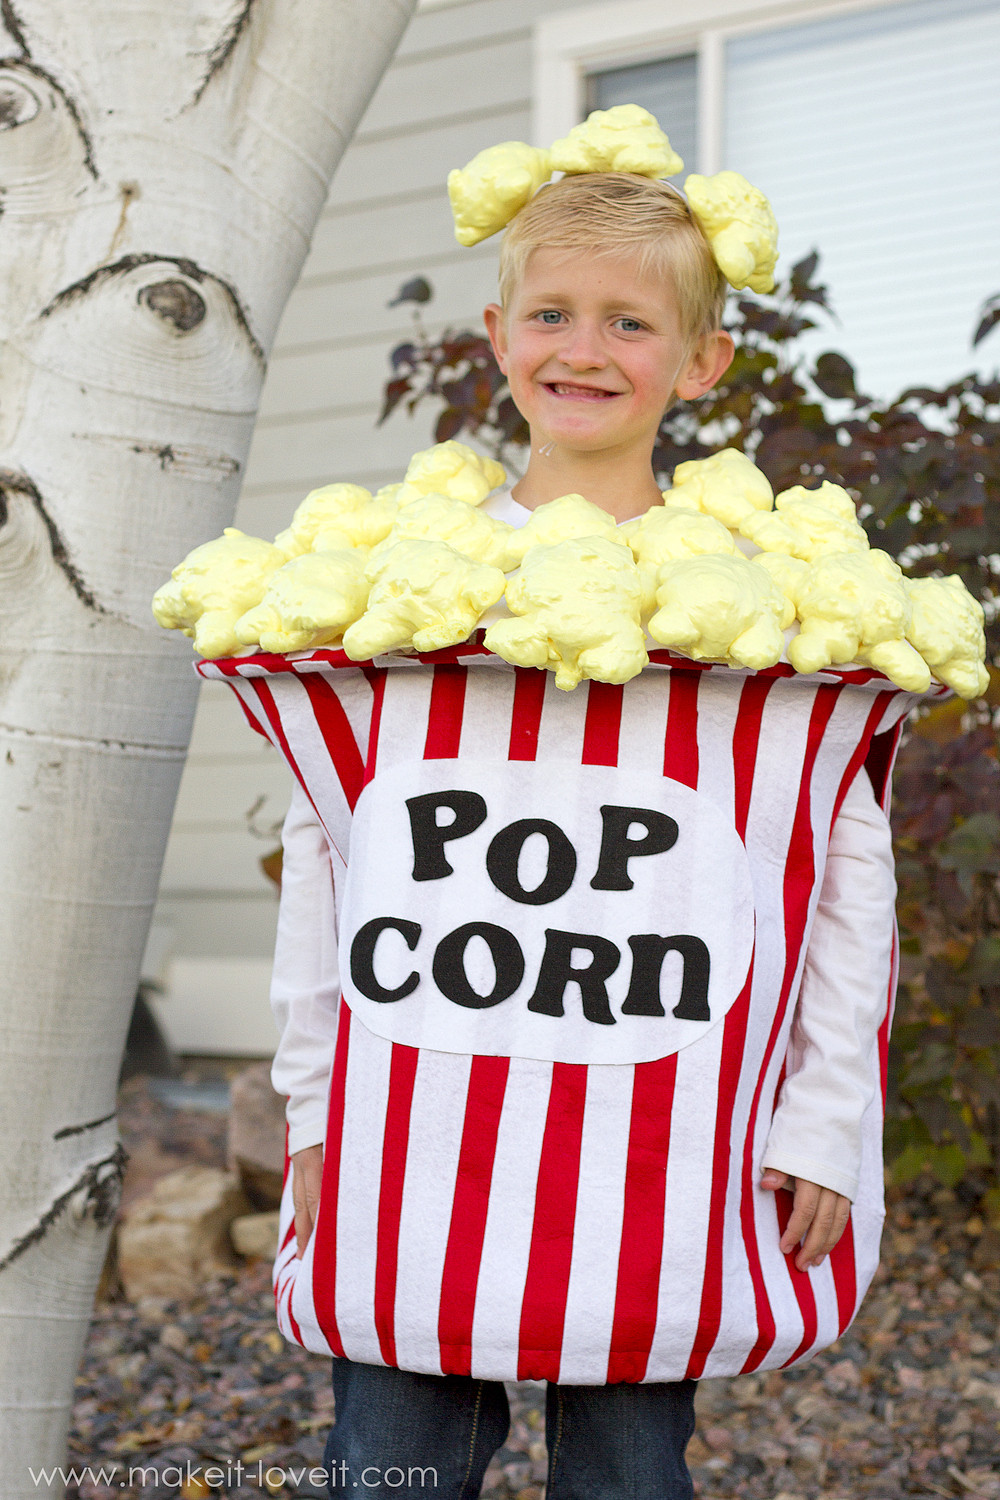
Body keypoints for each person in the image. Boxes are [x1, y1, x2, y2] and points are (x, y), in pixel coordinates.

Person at [269, 122, 899, 1500]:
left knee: (625, 1465)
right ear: (497, 334)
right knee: (388, 1462)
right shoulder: (411, 586)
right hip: (414, 1131)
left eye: (630, 320)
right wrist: (315, 1107)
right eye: (551, 313)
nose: (584, 348)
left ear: (702, 360)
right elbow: (329, 848)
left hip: (661, 1155)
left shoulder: (758, 601)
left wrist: (822, 1121)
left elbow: (839, 862)